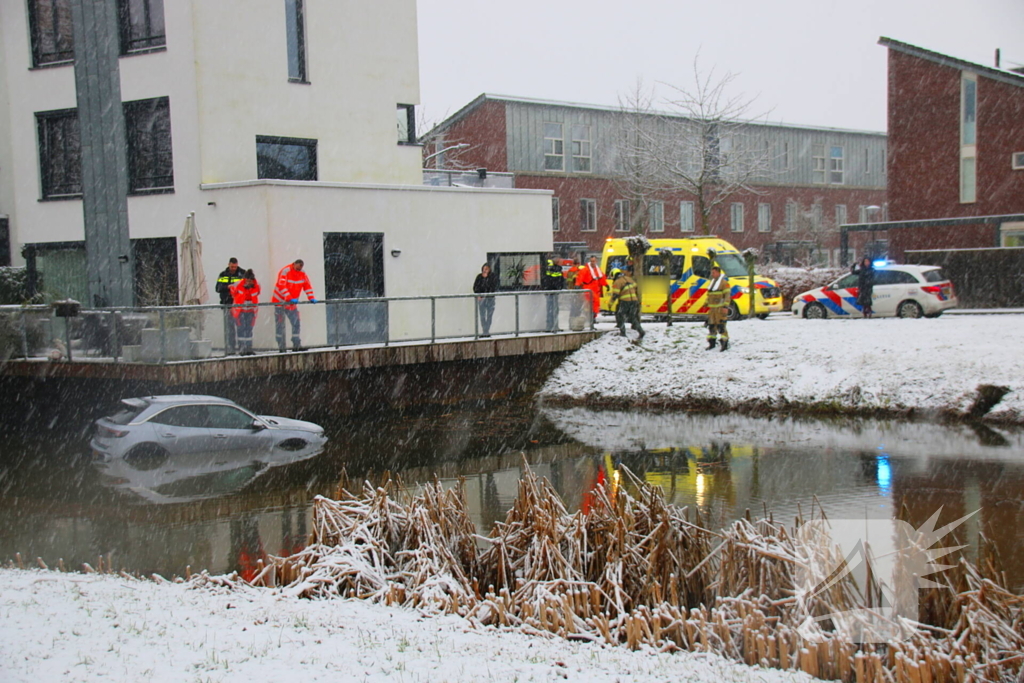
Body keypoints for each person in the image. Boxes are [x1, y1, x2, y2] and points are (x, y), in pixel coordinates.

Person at [270, 259, 316, 352]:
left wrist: (311, 297)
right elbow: (281, 286)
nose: (298, 270)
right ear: (294, 264)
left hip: (291, 303)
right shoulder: (285, 271)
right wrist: (289, 297)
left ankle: (296, 344)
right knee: (280, 324)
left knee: (296, 323)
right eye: (297, 268)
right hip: (280, 302)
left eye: (300, 268)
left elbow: (307, 285)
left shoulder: (302, 273)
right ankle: (281, 346)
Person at [215, 257, 245, 354]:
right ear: (229, 265)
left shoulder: (242, 273)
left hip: (239, 305)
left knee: (241, 327)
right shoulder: (223, 275)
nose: (233, 269)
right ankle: (231, 348)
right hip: (227, 305)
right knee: (229, 328)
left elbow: (247, 286)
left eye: (235, 267)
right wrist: (228, 286)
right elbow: (218, 288)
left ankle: (242, 347)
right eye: (232, 267)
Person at [229, 269, 260, 355]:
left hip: (251, 311)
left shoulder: (256, 286)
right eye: (247, 280)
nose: (249, 282)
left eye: (250, 281)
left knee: (249, 330)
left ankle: (248, 348)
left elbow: (256, 294)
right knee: (241, 329)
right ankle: (242, 348)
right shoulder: (238, 285)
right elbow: (232, 291)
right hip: (240, 312)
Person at [610, 267, 644, 340]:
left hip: (625, 301)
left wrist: (610, 304)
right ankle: (641, 331)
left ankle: (623, 333)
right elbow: (635, 287)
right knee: (632, 317)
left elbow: (615, 295)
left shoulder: (617, 282)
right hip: (634, 301)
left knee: (620, 315)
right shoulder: (629, 279)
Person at [705, 265, 730, 351]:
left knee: (721, 326)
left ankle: (724, 343)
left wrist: (725, 306)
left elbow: (727, 295)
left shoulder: (724, 283)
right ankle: (712, 343)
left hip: (720, 309)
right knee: (711, 326)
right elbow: (709, 295)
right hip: (712, 310)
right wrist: (706, 304)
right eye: (712, 273)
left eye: (714, 272)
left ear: (718, 273)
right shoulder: (712, 283)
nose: (712, 274)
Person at [576, 255, 607, 319]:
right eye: (592, 261)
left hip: (595, 290)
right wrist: (577, 285)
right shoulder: (585, 269)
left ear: (596, 261)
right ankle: (591, 316)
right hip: (588, 289)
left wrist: (606, 285)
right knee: (591, 303)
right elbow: (580, 277)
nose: (593, 262)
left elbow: (601, 278)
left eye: (594, 261)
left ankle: (593, 316)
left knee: (596, 304)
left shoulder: (598, 270)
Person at [473, 263, 498, 337]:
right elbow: (475, 287)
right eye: (484, 269)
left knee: (489, 315)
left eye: (487, 269)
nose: (485, 270)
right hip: (481, 299)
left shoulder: (492, 277)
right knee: (482, 315)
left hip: (490, 299)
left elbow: (493, 287)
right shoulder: (479, 277)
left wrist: (487, 279)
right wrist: (478, 295)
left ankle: (486, 331)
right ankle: (485, 331)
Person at [541, 256, 564, 332]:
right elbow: (558, 280)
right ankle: (553, 326)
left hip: (550, 291)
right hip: (553, 292)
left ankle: (551, 326)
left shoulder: (549, 269)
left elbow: (547, 280)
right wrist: (559, 288)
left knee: (551, 309)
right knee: (553, 309)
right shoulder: (556, 269)